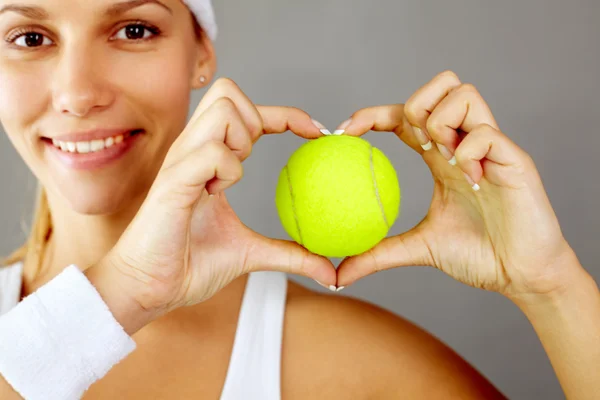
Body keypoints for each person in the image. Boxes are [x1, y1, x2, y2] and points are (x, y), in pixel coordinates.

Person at [0, 0, 597, 398]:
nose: (77, 93)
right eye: (28, 36)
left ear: (201, 51)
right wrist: (122, 293)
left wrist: (551, 285)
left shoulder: (354, 367)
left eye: (134, 29)